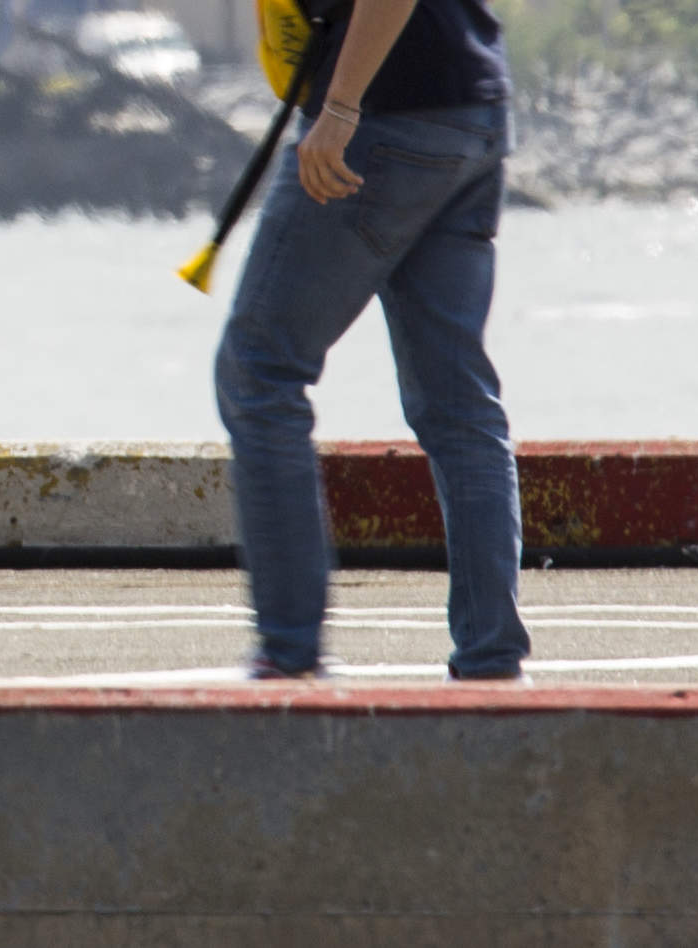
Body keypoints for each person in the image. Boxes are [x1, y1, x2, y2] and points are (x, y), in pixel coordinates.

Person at [211, 0, 525, 681]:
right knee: (457, 401)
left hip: (387, 116)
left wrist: (341, 107)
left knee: (258, 371)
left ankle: (288, 651)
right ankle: (491, 658)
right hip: (471, 109)